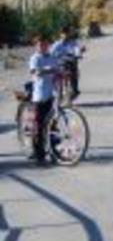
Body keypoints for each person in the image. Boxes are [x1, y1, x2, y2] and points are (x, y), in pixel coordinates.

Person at [28, 34, 58, 164]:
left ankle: (53, 150)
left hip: (51, 94)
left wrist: (61, 73)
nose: (43, 47)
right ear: (36, 46)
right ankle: (38, 154)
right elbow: (34, 71)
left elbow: (57, 70)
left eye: (45, 44)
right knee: (39, 126)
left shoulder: (52, 57)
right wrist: (46, 70)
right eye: (40, 45)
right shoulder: (35, 58)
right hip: (39, 96)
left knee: (52, 125)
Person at [50, 25, 85, 100]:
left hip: (72, 64)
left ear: (69, 33)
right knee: (58, 73)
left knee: (74, 74)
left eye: (67, 33)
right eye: (63, 33)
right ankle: (58, 92)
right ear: (60, 34)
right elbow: (51, 53)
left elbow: (77, 50)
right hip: (61, 64)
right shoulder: (57, 44)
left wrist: (80, 52)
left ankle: (74, 90)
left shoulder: (73, 43)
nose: (65, 35)